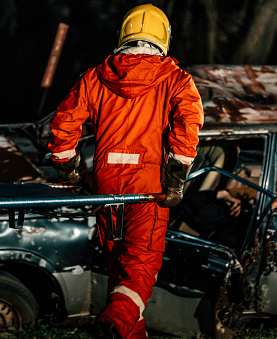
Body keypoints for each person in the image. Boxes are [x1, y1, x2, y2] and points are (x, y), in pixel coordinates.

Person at [49, 4, 204, 338]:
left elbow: (63, 125)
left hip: (107, 185)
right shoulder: (176, 80)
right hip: (148, 188)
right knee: (139, 268)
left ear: (124, 35)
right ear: (164, 38)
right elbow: (188, 127)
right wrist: (176, 178)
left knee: (119, 266)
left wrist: (69, 169)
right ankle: (113, 323)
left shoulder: (94, 77)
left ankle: (128, 330)